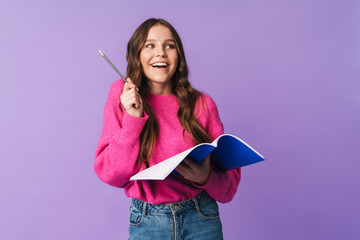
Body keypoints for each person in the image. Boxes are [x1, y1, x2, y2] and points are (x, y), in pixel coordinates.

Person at [94, 18, 241, 240]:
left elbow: (228, 190)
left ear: (178, 56)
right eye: (150, 45)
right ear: (137, 54)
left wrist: (206, 177)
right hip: (148, 220)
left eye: (169, 46)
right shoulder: (122, 96)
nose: (161, 53)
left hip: (201, 216)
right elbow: (112, 175)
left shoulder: (203, 104)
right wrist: (133, 118)